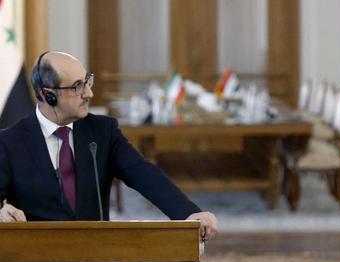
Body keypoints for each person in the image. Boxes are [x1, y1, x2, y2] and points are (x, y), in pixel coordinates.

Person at [0, 51, 218, 241]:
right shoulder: (10, 142)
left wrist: (188, 213)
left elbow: (142, 173)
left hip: (97, 256)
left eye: (86, 81)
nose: (88, 93)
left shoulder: (103, 132)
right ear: (48, 95)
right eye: (77, 87)